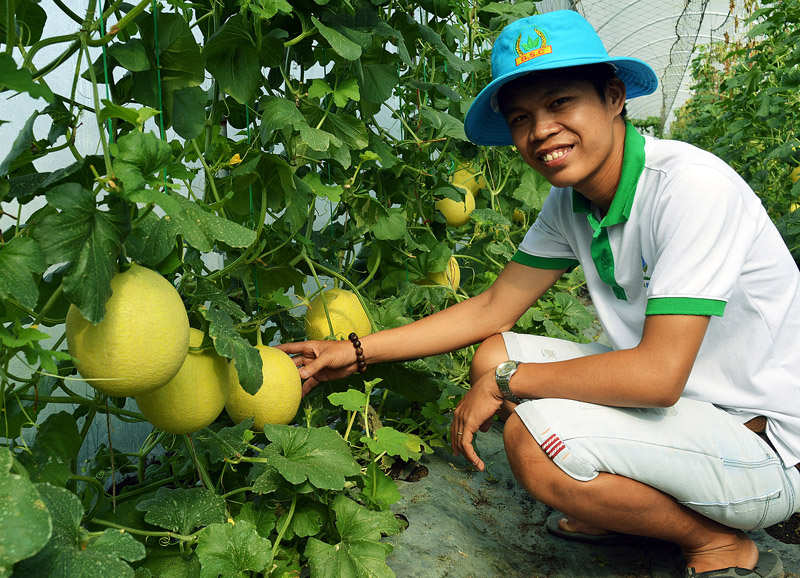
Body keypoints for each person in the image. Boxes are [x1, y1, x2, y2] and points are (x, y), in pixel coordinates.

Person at [277, 9, 800, 578]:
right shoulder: (570, 203)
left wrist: (506, 384)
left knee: (531, 439)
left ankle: (718, 543)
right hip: (690, 407)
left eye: (559, 103)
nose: (540, 131)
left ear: (614, 96)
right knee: (494, 350)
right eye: (521, 117)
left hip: (763, 441)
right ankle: (627, 509)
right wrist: (354, 352)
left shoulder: (690, 189)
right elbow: (491, 308)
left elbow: (658, 377)